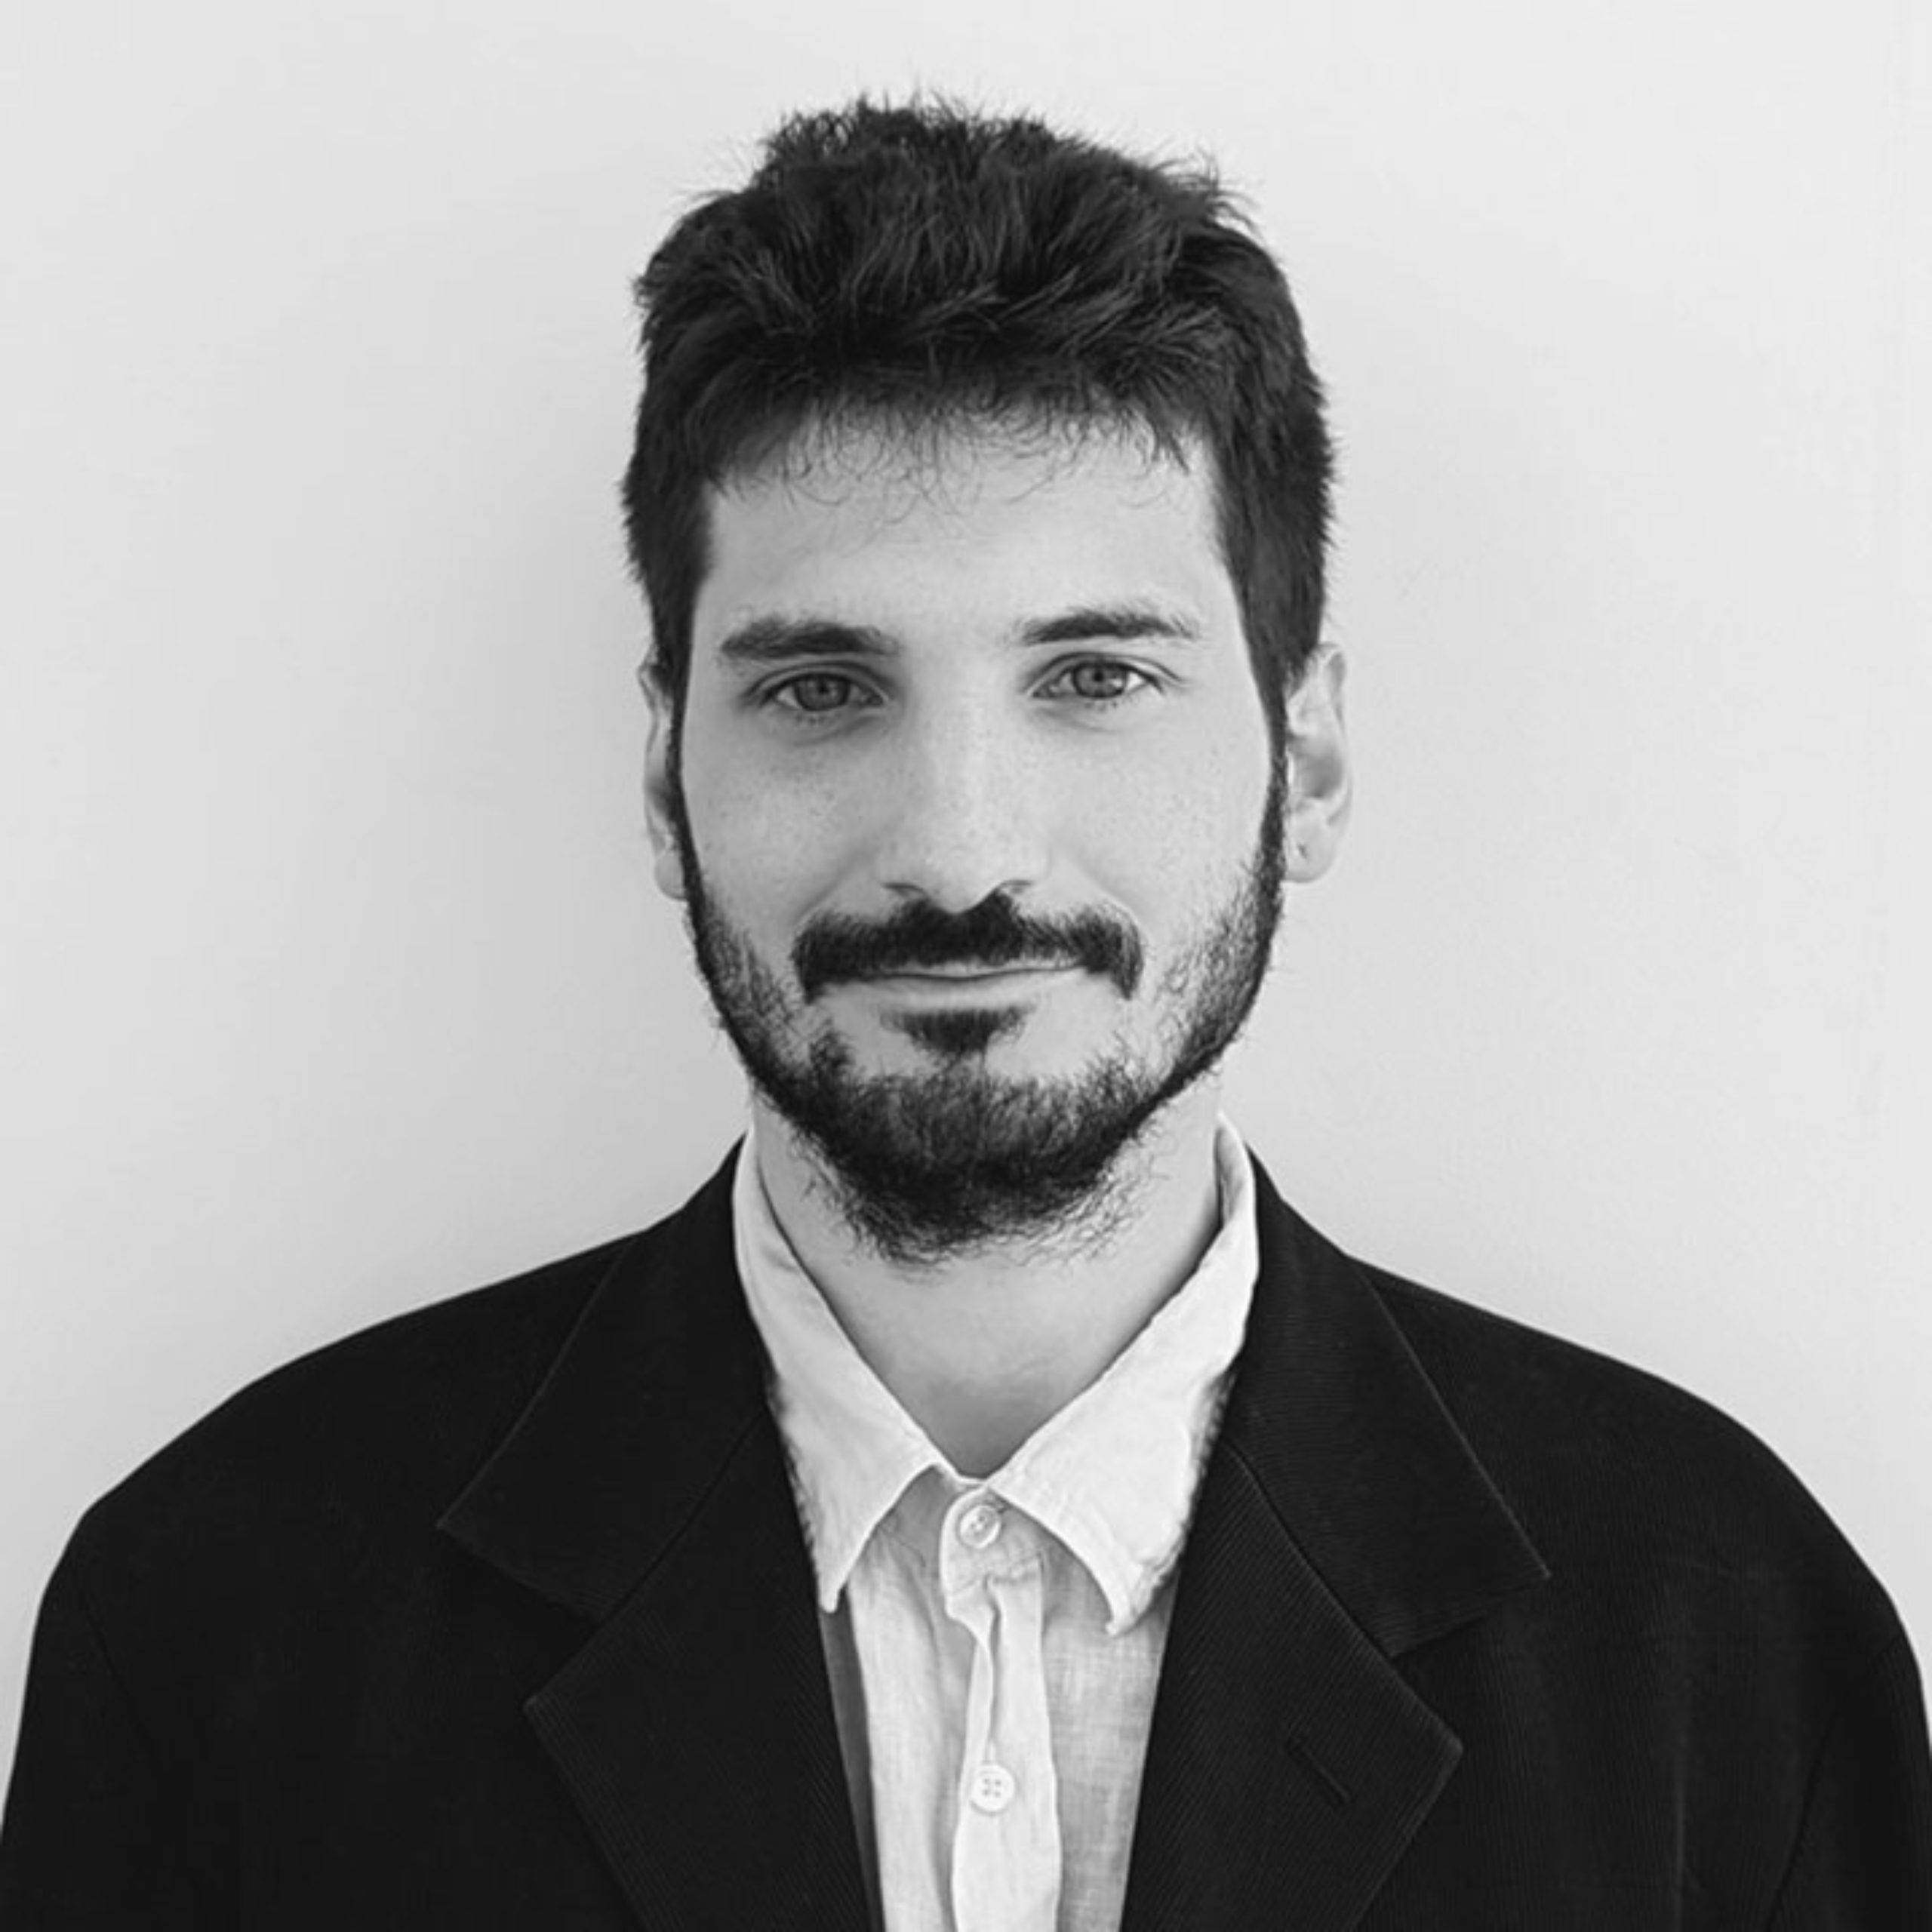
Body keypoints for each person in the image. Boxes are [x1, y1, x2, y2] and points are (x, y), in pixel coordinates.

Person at [2, 96, 1927, 1931]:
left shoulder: (1721, 1632)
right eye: (821, 689)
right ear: (666, 775)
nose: (957, 850)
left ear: (1308, 758)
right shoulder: (215, 1616)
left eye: (1093, 676)